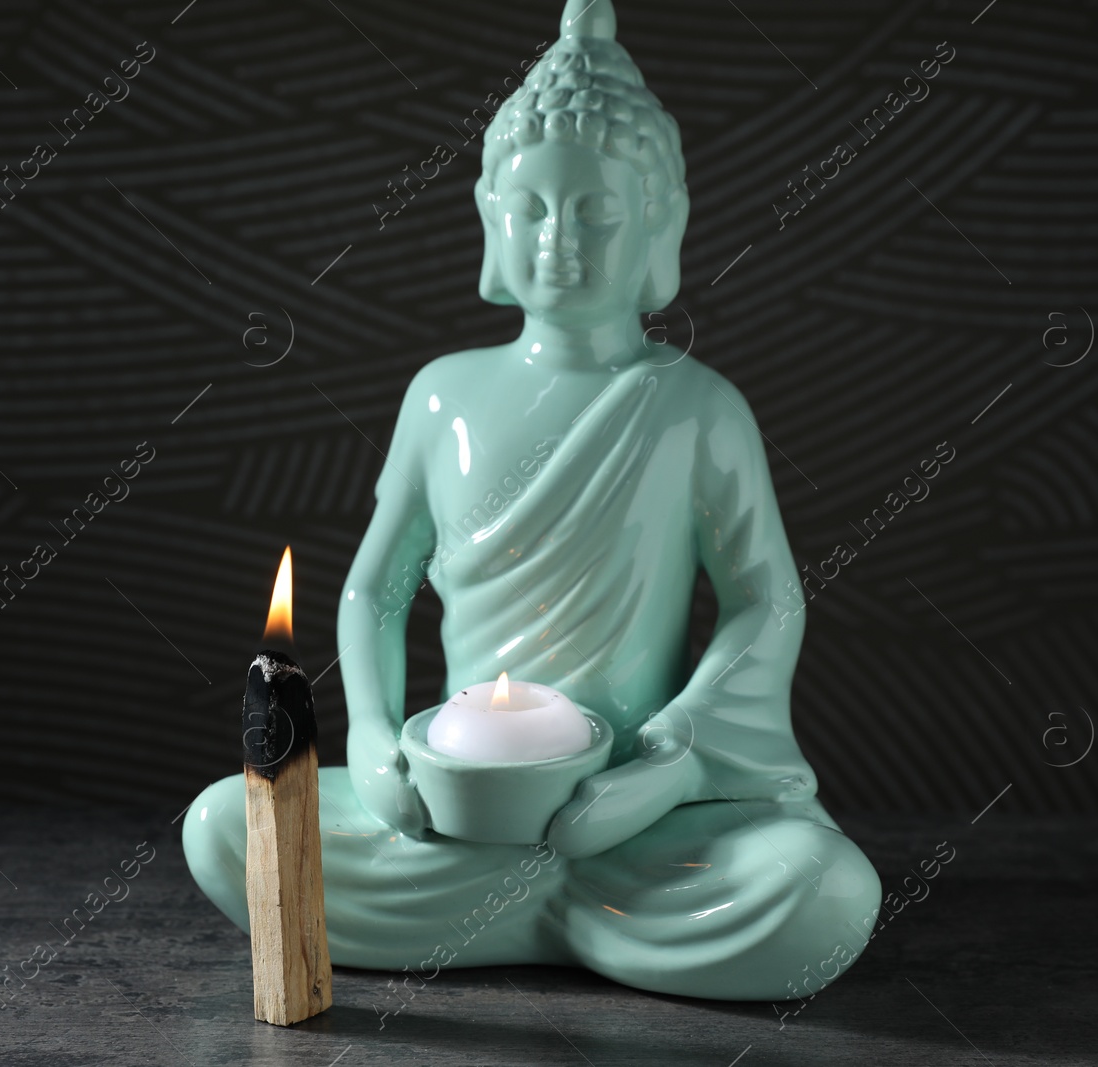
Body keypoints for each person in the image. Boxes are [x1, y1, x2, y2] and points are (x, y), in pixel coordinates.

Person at [184, 0, 881, 1001]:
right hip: (462, 807)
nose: (561, 239)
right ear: (490, 219)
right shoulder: (443, 393)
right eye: (534, 209)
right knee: (226, 825)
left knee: (824, 892)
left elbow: (764, 600)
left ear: (659, 220)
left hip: (635, 809)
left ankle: (524, 907)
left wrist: (671, 767)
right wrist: (379, 744)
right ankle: (562, 908)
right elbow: (376, 591)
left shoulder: (693, 406)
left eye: (596, 211)